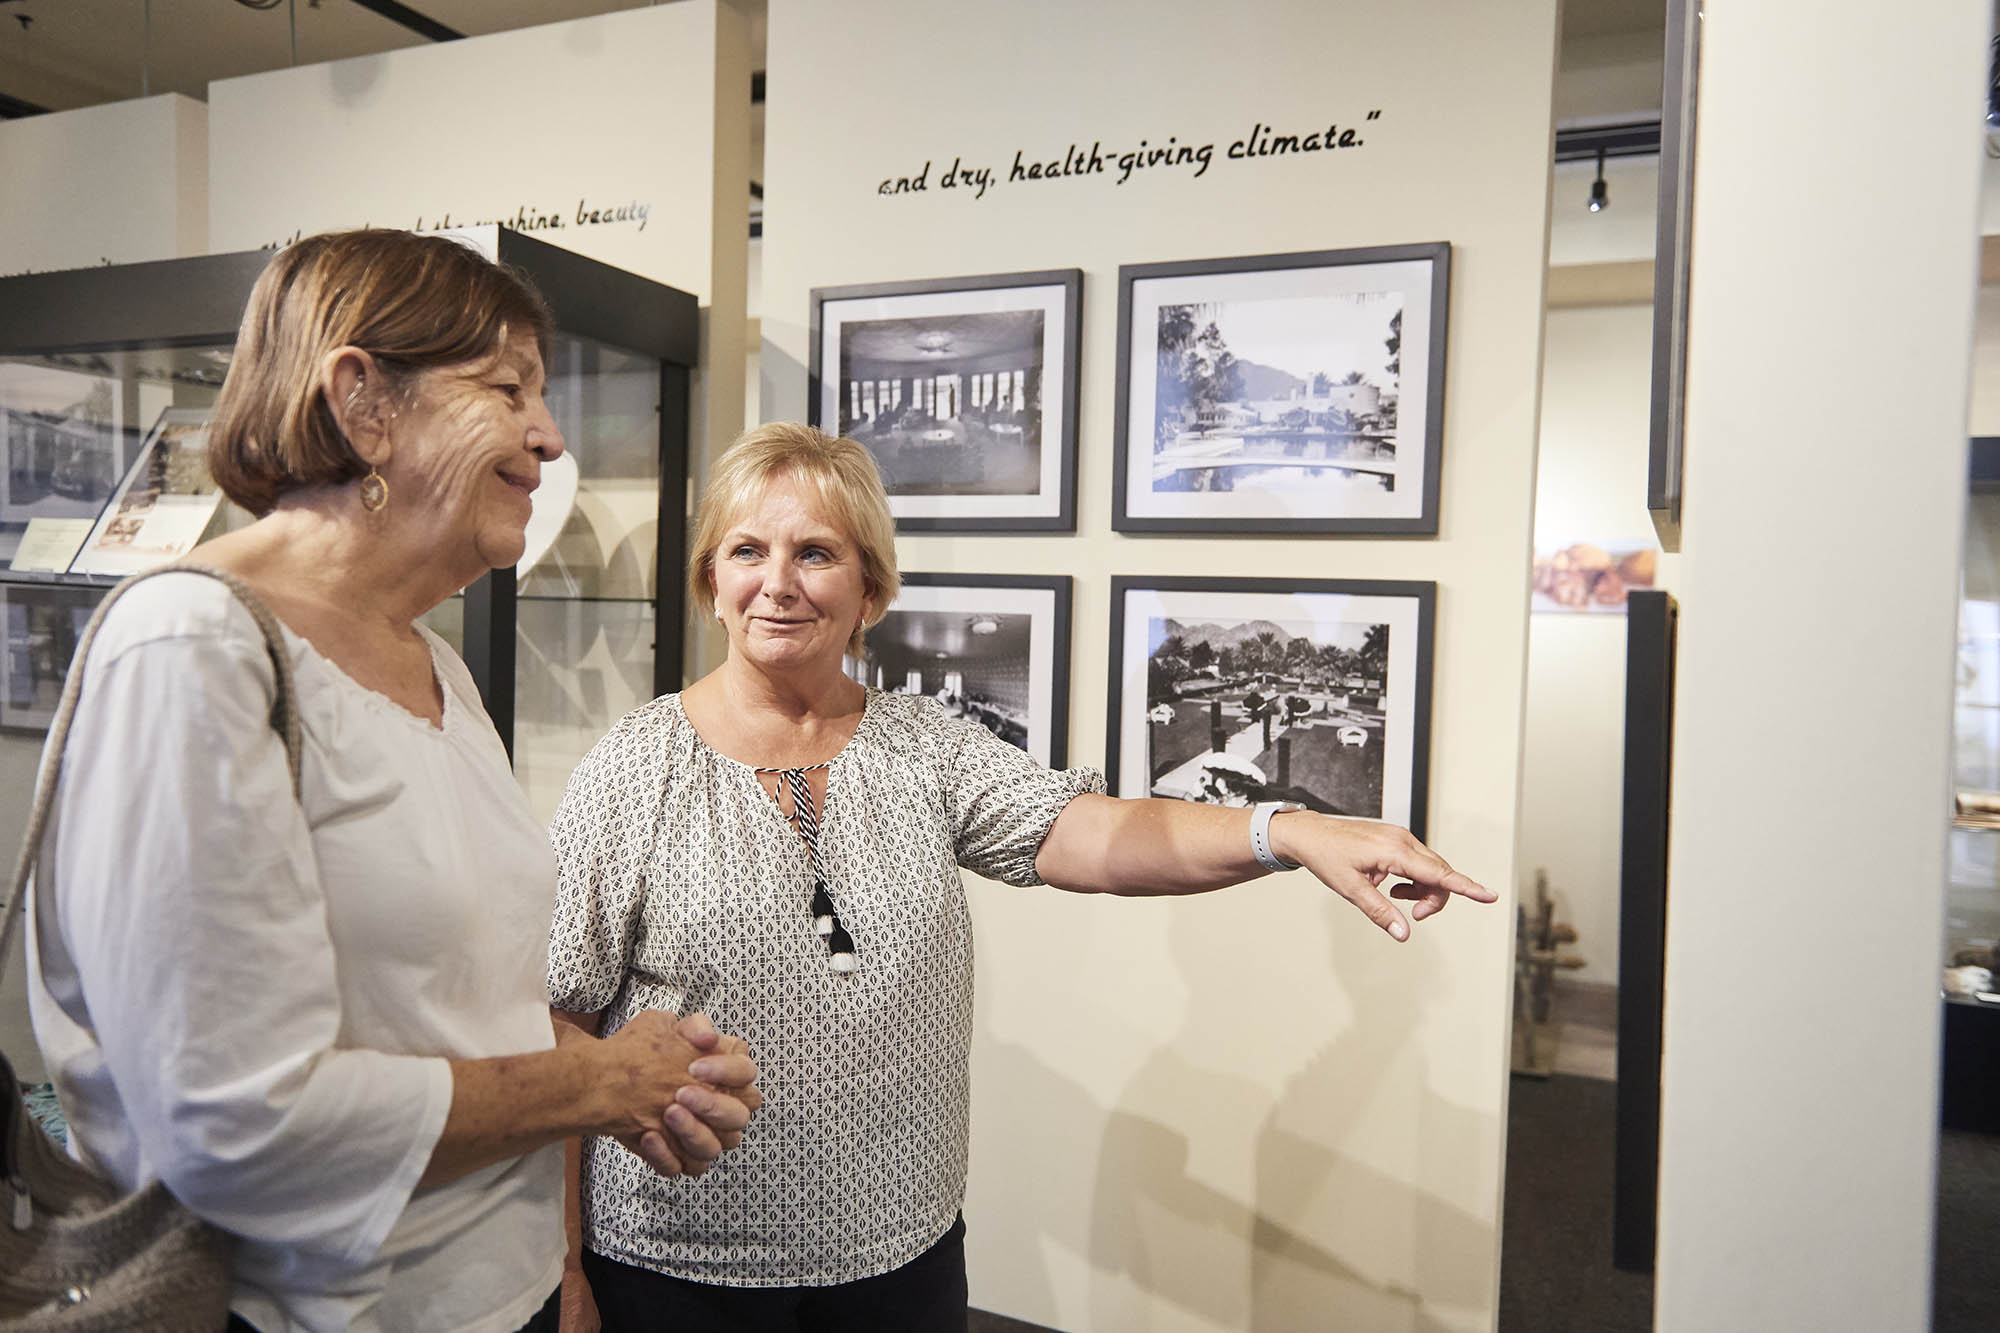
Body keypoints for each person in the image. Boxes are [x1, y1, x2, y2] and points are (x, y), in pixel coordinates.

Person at [547, 423, 1493, 1332]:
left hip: (899, 1256)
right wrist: (565, 1266)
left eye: (817, 553)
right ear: (712, 578)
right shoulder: (635, 771)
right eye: (748, 550)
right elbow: (561, 1023)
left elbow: (1102, 832)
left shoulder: (925, 747)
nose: (778, 583)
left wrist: (1284, 828)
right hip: (677, 1268)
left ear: (870, 589)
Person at [25, 229, 763, 1333]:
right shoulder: (191, 649)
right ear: (364, 402)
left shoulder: (439, 668)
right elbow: (235, 1129)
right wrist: (597, 1085)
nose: (549, 438)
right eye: (508, 387)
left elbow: (451, 1008)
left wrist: (625, 1069)